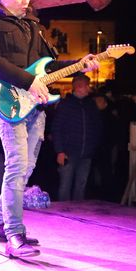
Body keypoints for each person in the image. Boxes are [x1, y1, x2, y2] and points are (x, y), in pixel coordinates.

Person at [0, 0, 63, 257]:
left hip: (34, 105)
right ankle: (14, 233)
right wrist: (28, 82)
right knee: (17, 165)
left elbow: (47, 65)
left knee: (26, 168)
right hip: (6, 102)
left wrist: (83, 62)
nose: (25, 0)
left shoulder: (33, 24)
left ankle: (1, 224)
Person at [51, 73, 102, 201]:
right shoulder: (66, 105)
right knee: (65, 185)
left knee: (80, 186)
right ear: (79, 87)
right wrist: (60, 151)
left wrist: (93, 146)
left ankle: (77, 210)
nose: (89, 89)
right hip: (69, 152)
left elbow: (96, 126)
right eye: (87, 86)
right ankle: (64, 211)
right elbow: (57, 128)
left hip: (86, 153)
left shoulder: (90, 104)